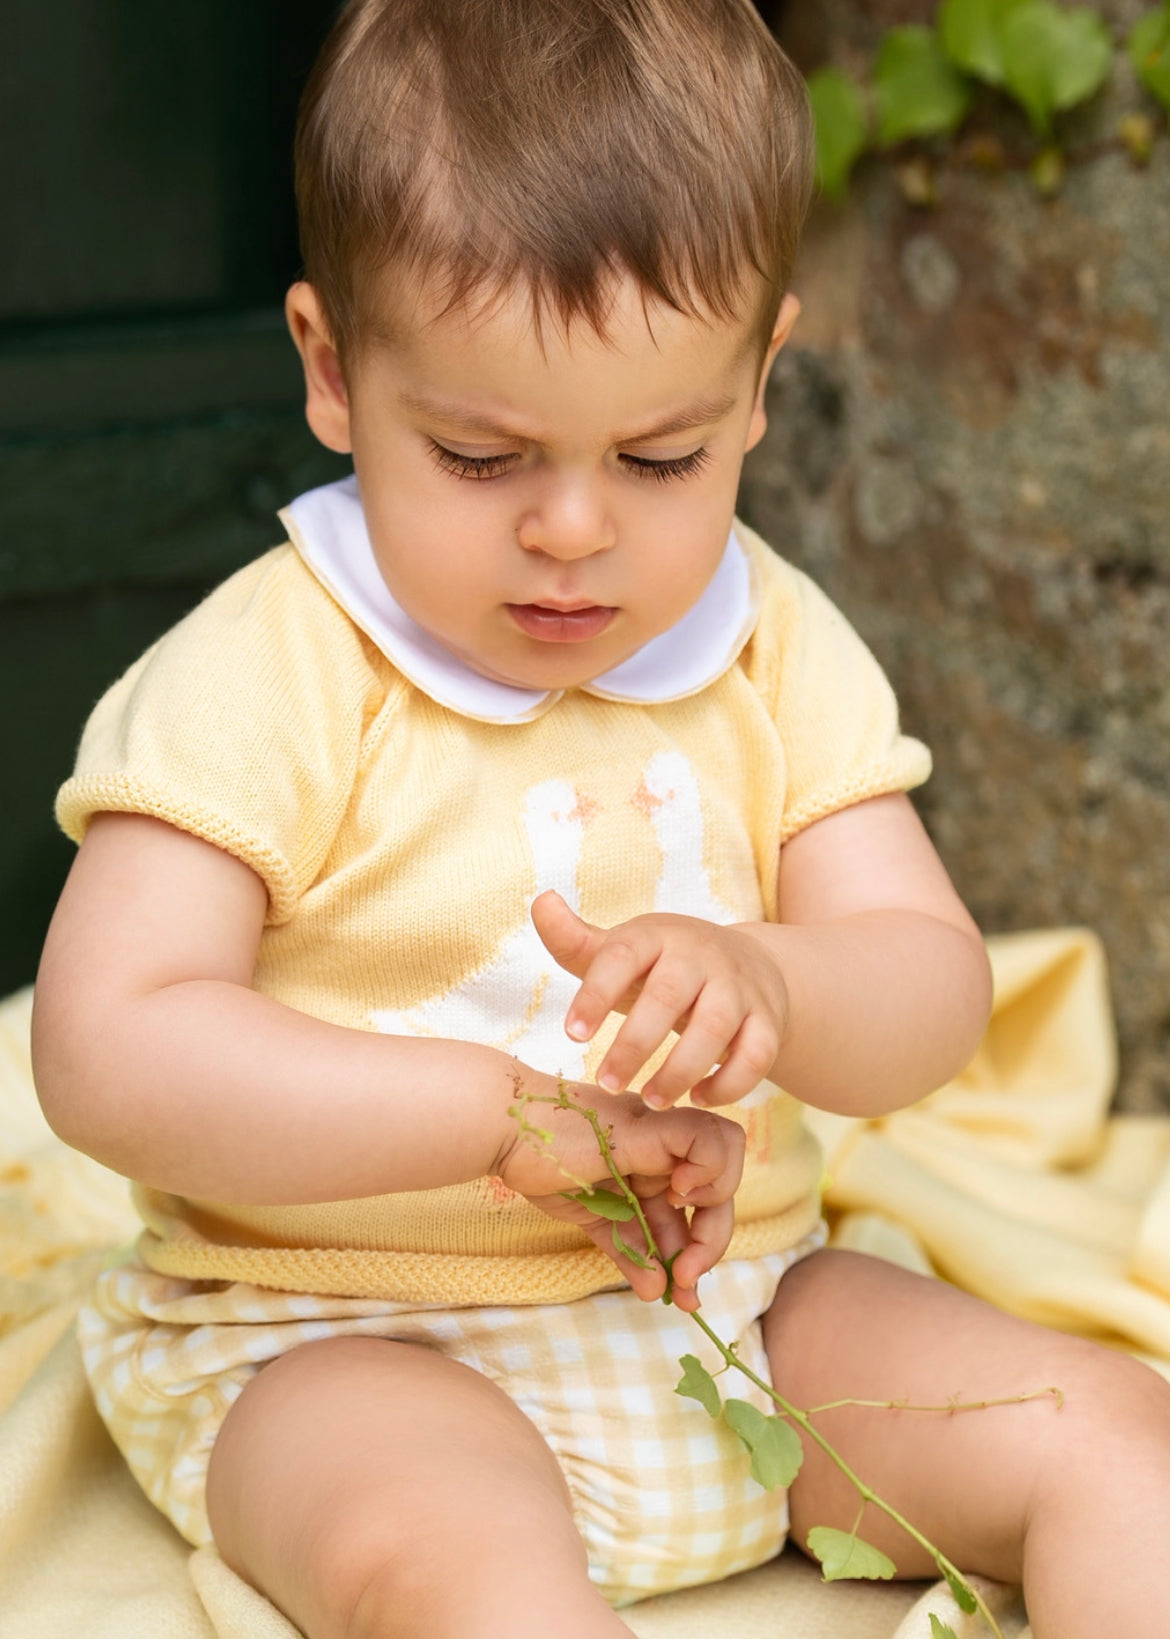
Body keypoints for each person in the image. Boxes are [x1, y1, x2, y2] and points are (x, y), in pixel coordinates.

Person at [31, 2, 1170, 1636]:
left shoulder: (768, 641)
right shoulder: (274, 670)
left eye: (659, 454)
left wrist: (776, 984)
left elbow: (926, 997)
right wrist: (498, 1121)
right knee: (465, 1572)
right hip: (337, 1332)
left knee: (1110, 1435)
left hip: (736, 1310)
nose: (573, 532)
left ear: (760, 386)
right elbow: (109, 1046)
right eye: (482, 456)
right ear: (335, 372)